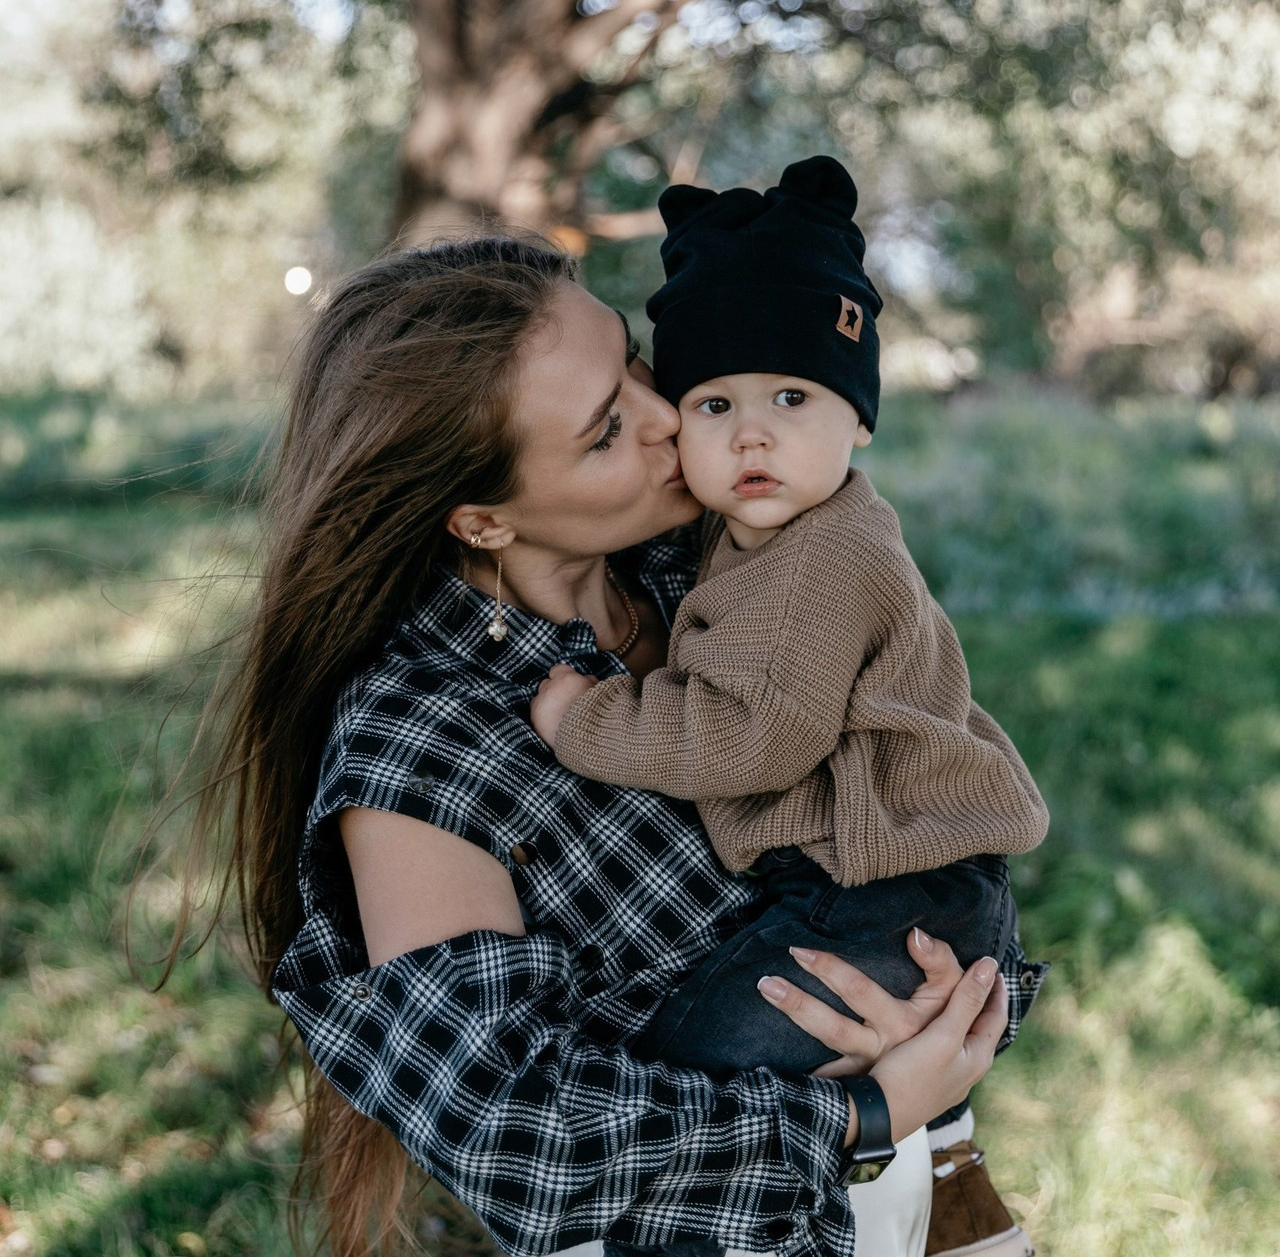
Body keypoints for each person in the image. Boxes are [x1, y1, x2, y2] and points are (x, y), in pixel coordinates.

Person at [186, 236, 1017, 1257]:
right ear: (482, 519)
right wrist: (861, 1110)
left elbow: (923, 787)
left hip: (934, 1202)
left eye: (629, 360)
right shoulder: (423, 744)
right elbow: (516, 1129)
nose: (669, 411)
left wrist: (954, 1000)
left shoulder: (720, 557)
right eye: (603, 430)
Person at [529, 159, 1049, 1257]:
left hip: (888, 894)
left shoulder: (823, 562)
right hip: (883, 884)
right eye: (713, 404)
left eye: (791, 398)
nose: (750, 435)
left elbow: (752, 734)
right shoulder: (749, 535)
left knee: (685, 1058)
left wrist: (589, 720)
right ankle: (939, 1171)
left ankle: (879, 1186)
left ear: (857, 420)